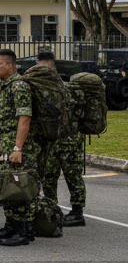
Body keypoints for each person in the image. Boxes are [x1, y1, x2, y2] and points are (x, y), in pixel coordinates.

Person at [0, 49, 42, 246]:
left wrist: (18, 148)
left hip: (20, 148)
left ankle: (25, 231)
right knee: (10, 184)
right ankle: (11, 225)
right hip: (7, 144)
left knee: (22, 186)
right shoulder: (4, 85)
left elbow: (25, 118)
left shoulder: (18, 86)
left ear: (11, 65)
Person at [33, 52, 88, 227]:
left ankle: (75, 213)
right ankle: (55, 210)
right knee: (56, 176)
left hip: (62, 139)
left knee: (67, 176)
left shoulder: (61, 88)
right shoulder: (68, 87)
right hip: (60, 139)